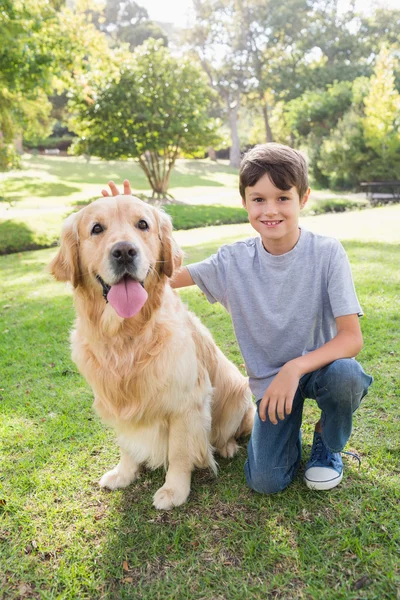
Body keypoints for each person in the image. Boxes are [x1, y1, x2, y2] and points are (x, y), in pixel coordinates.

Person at [101, 143, 373, 493]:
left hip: (319, 370)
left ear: (303, 198)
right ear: (244, 202)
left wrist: (294, 368)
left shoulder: (328, 252)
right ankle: (284, 440)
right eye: (258, 199)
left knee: (346, 376)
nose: (270, 209)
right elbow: (162, 272)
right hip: (270, 387)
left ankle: (326, 442)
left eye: (283, 198)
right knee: (266, 482)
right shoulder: (232, 261)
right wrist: (133, 226)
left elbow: (352, 339)